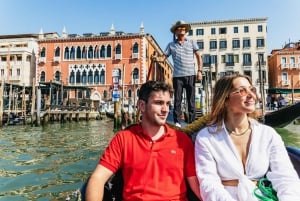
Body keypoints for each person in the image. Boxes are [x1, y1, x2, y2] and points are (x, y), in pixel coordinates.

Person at [85, 81, 201, 201]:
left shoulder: (182, 141)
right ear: (142, 105)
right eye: (159, 103)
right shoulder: (124, 139)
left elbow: (196, 185)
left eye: (167, 104)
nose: (165, 109)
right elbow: (97, 179)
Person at [194, 74, 300, 201]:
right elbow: (209, 185)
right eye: (242, 90)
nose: (251, 95)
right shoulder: (206, 138)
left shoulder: (268, 134)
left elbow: (285, 177)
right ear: (225, 99)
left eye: (252, 89)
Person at [154, 20, 203, 127]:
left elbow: (199, 56)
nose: (181, 30)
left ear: (185, 30)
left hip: (191, 75)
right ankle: (176, 121)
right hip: (177, 76)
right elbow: (163, 58)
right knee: (177, 99)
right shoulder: (171, 45)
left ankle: (192, 122)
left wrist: (199, 71)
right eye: (179, 28)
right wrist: (156, 58)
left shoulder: (191, 42)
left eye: (183, 28)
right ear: (175, 32)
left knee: (191, 100)